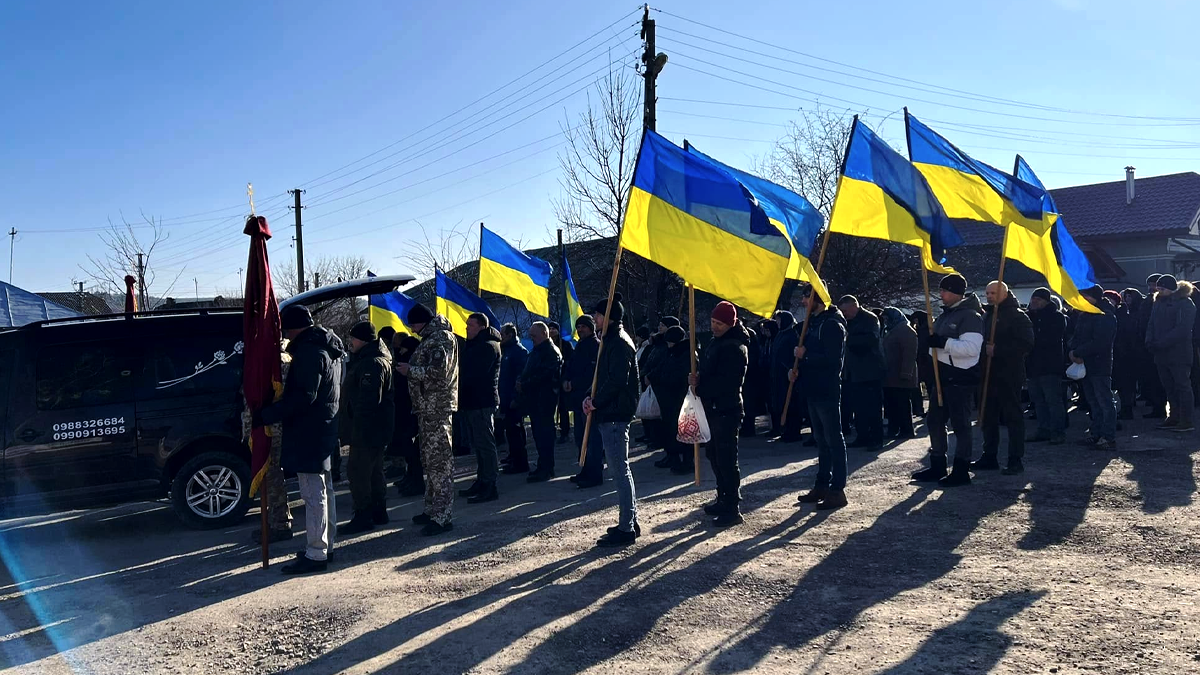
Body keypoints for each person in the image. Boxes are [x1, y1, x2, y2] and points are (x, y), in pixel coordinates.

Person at [254, 305, 343, 575]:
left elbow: (303, 397)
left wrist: (267, 414)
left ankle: (316, 552)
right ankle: (326, 545)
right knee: (324, 490)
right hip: (322, 428)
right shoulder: (327, 347)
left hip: (309, 431)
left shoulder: (309, 352)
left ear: (293, 329)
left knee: (313, 493)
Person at [912, 274, 984, 487]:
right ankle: (937, 464)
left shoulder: (970, 316)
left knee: (961, 425)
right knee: (934, 420)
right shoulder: (946, 315)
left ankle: (961, 469)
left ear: (955, 292)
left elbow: (971, 350)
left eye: (944, 290)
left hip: (960, 376)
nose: (941, 294)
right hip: (942, 376)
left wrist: (944, 342)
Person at [397, 303, 459, 536]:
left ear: (422, 321)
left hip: (437, 408)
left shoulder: (439, 339)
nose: (412, 329)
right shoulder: (433, 338)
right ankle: (432, 509)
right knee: (430, 462)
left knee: (440, 463)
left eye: (413, 324)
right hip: (428, 409)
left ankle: (442, 517)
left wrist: (410, 370)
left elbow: (438, 372)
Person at [584, 293, 641, 547]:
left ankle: (626, 527)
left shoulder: (618, 343)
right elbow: (601, 377)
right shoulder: (609, 341)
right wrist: (589, 396)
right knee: (621, 469)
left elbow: (617, 380)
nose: (594, 318)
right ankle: (630, 520)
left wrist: (596, 402)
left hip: (616, 414)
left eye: (598, 314)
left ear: (609, 317)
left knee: (620, 470)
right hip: (609, 412)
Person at [691, 301, 750, 526]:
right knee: (714, 455)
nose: (715, 326)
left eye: (720, 323)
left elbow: (727, 382)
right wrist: (697, 380)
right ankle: (722, 496)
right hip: (713, 409)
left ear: (730, 323)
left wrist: (701, 387)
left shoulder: (735, 347)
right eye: (713, 322)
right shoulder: (717, 343)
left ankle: (732, 506)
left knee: (726, 459)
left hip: (726, 409)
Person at [791, 293, 849, 510]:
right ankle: (822, 484)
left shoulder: (832, 324)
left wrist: (805, 356)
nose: (803, 302)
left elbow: (834, 361)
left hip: (827, 389)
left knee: (833, 439)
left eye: (807, 297)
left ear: (818, 299)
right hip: (812, 389)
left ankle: (837, 489)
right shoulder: (814, 323)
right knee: (821, 440)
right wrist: (795, 370)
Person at [338, 321, 396, 536]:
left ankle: (363, 514)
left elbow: (369, 400)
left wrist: (358, 428)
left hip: (367, 429)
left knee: (358, 472)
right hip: (374, 428)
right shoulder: (371, 359)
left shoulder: (372, 363)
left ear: (362, 339)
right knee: (373, 471)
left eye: (353, 338)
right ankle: (379, 511)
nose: (350, 342)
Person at [976, 281, 1034, 475]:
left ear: (1004, 293)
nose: (989, 296)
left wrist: (998, 350)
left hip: (1009, 374)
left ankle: (1015, 459)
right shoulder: (987, 316)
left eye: (993, 293)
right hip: (988, 374)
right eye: (987, 293)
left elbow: (1026, 345)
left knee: (1013, 417)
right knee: (988, 416)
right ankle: (989, 455)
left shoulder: (1018, 316)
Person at [245, 345, 294, 545]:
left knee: (273, 476)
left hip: (271, 428)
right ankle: (274, 521)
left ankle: (280, 524)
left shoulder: (278, 363)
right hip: (263, 425)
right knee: (270, 477)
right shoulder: (265, 359)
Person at [458, 313, 502, 503]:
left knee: (486, 445)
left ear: (482, 327)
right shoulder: (476, 345)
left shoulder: (487, 347)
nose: (467, 328)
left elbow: (473, 375)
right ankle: (482, 480)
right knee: (479, 445)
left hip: (482, 402)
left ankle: (490, 484)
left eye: (471, 325)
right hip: (473, 402)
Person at [1070, 285, 1119, 449]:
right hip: (1085, 363)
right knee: (1093, 401)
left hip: (1099, 364)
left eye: (1084, 296)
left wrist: (1077, 351)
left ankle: (1108, 436)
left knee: (1104, 401)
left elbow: (1101, 342)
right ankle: (1096, 433)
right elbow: (1076, 336)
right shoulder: (1085, 315)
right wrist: (1072, 350)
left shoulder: (1105, 316)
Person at [1146, 275, 1196, 432]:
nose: (1159, 291)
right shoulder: (1158, 303)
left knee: (1182, 386)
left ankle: (1186, 420)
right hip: (1161, 354)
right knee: (1169, 387)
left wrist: (1161, 343)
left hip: (1179, 353)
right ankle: (1173, 416)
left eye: (1162, 289)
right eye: (1158, 289)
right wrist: (1149, 340)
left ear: (1172, 288)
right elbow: (1151, 323)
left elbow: (1182, 329)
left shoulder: (1185, 303)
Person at [838, 296, 886, 449]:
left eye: (845, 310)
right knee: (859, 408)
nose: (844, 314)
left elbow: (870, 340)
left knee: (872, 407)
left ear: (854, 306)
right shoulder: (848, 321)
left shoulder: (870, 319)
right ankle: (862, 436)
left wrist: (848, 340)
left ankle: (876, 439)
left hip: (870, 370)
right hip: (854, 372)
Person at [519, 322, 563, 482]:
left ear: (544, 334)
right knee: (538, 435)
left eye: (534, 336)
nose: (532, 339)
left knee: (545, 435)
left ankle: (546, 468)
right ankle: (542, 465)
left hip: (544, 399)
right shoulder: (537, 351)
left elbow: (545, 375)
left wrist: (526, 383)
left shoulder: (551, 352)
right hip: (535, 399)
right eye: (530, 336)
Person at [649, 325, 694, 476]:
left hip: (680, 399)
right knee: (672, 432)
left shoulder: (685, 354)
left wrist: (663, 379)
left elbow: (678, 376)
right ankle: (674, 459)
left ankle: (687, 462)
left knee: (684, 433)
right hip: (670, 400)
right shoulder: (672, 353)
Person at [1024, 288, 1068, 444]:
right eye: (1033, 299)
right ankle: (1044, 429)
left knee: (1053, 400)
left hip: (1050, 365)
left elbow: (1050, 338)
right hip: (1033, 365)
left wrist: (1032, 341)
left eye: (1038, 299)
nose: (1034, 302)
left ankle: (1058, 431)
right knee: (1038, 400)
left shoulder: (1057, 317)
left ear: (1047, 301)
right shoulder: (1029, 317)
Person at [566, 315, 606, 487]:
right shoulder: (579, 347)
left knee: (592, 439)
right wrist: (566, 380)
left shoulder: (595, 346)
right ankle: (585, 469)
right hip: (577, 400)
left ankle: (595, 474)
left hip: (588, 400)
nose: (580, 329)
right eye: (578, 327)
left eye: (583, 326)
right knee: (580, 438)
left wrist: (574, 383)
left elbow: (592, 374)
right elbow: (570, 367)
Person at [391, 334, 424, 497]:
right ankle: (411, 477)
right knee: (408, 450)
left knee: (413, 451)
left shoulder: (413, 365)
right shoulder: (405, 364)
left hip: (411, 411)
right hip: (404, 410)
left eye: (402, 348)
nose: (400, 351)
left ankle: (416, 481)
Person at [881, 307, 917, 440]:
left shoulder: (906, 330)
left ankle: (907, 429)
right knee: (892, 404)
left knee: (902, 404)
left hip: (901, 375)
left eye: (886, 318)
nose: (885, 321)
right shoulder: (890, 329)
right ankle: (893, 428)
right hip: (890, 374)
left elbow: (910, 353)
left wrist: (906, 373)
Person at [498, 323, 530, 473]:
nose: (500, 337)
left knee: (516, 432)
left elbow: (520, 378)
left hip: (513, 400)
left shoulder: (518, 352)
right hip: (505, 398)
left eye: (502, 334)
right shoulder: (506, 351)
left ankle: (520, 463)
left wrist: (515, 398)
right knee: (510, 432)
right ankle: (513, 457)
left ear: (510, 335)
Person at [1137, 274, 1168, 418]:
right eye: (1149, 284)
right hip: (1147, 344)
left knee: (1159, 379)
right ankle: (1154, 403)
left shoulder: (1163, 302)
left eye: (1154, 284)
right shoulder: (1148, 301)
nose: (1151, 288)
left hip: (1159, 345)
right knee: (1151, 377)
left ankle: (1160, 407)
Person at [768, 311, 801, 441]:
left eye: (779, 320)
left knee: (791, 403)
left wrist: (789, 368)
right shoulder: (780, 335)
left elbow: (791, 355)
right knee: (781, 403)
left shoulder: (792, 335)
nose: (777, 323)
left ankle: (793, 431)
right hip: (778, 375)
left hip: (787, 375)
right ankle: (786, 430)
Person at [1115, 289, 1145, 420]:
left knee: (1128, 382)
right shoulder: (1122, 311)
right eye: (1125, 296)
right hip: (1124, 351)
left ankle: (1128, 407)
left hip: (1133, 351)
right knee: (1125, 383)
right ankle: (1128, 405)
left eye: (1129, 296)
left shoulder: (1138, 312)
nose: (1127, 299)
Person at [548, 321, 573, 444]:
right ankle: (551, 432)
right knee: (549, 408)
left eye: (554, 329)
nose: (552, 331)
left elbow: (571, 362)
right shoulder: (546, 345)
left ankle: (565, 432)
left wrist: (566, 377)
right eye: (550, 328)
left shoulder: (565, 345)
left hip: (562, 379)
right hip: (550, 381)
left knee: (563, 408)